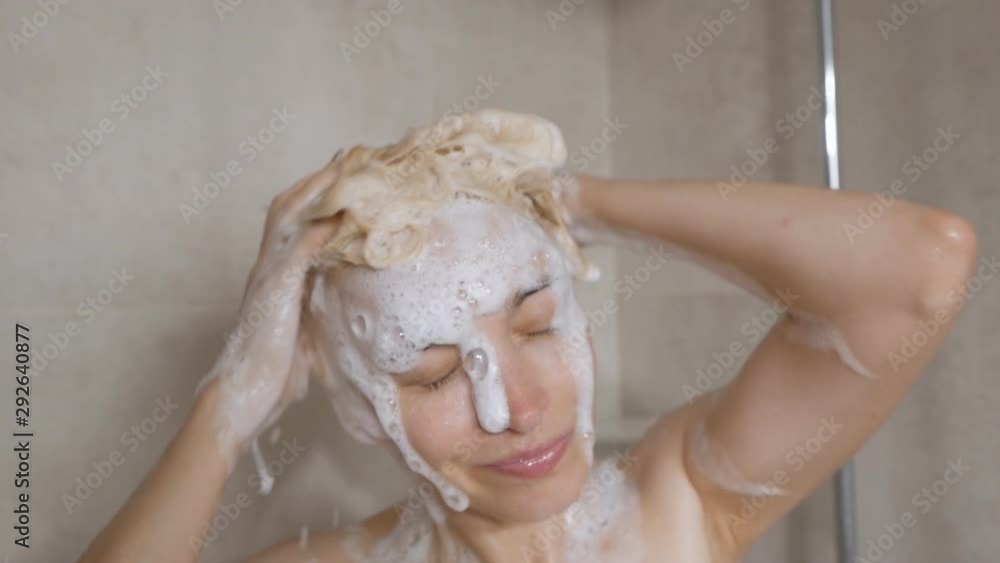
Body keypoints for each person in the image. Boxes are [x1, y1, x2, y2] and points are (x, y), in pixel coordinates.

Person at [78, 109, 978, 563]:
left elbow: (917, 272)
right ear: (359, 405)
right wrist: (229, 403)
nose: (520, 408)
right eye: (434, 375)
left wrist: (574, 203)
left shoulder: (672, 511)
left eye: (538, 324)